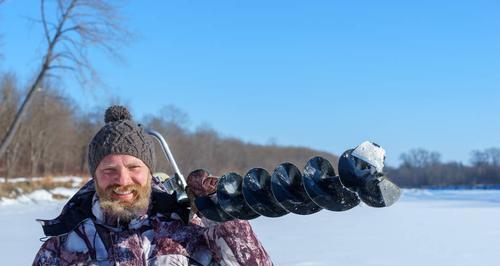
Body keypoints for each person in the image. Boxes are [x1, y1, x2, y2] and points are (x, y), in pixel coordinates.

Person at [33, 105, 273, 265]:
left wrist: (221, 215)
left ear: (150, 173)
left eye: (134, 168)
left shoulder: (186, 229)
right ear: (94, 176)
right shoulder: (63, 245)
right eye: (109, 170)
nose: (123, 181)